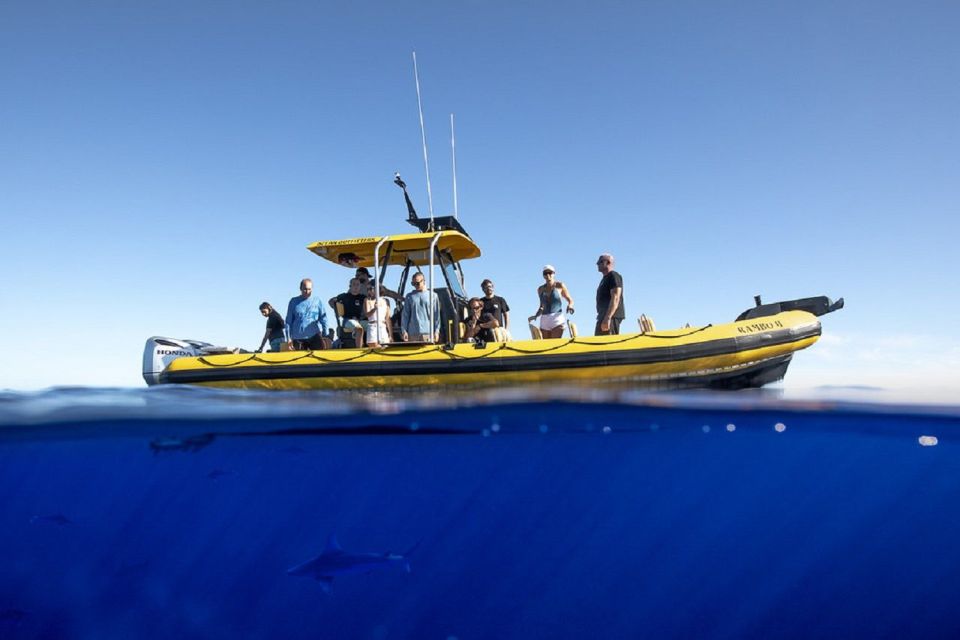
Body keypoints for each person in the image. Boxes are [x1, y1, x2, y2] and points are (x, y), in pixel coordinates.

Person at [528, 265, 574, 339]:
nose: (548, 275)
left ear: (554, 273)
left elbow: (570, 299)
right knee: (546, 346)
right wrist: (536, 316)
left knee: (555, 343)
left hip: (557, 318)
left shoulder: (560, 285)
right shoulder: (540, 289)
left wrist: (570, 305)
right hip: (544, 320)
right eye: (545, 273)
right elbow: (541, 306)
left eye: (550, 272)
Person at [285, 278, 329, 350]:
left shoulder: (317, 301)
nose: (307, 291)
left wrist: (326, 335)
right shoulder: (293, 301)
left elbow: (324, 319)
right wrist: (288, 338)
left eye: (309, 289)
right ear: (300, 288)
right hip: (298, 338)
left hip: (314, 336)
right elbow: (288, 322)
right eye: (305, 289)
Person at [401, 272, 440, 342]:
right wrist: (404, 331)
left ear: (424, 281)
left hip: (428, 334)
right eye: (413, 284)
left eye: (417, 283)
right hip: (412, 334)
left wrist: (436, 331)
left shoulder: (433, 296)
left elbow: (436, 315)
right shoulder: (409, 296)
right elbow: (405, 315)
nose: (415, 285)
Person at [329, 278, 366, 347]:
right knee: (359, 329)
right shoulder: (344, 296)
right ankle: (359, 350)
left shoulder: (363, 297)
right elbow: (331, 301)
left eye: (358, 285)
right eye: (354, 284)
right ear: (350, 286)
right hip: (348, 321)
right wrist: (336, 309)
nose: (356, 286)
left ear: (360, 286)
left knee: (373, 326)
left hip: (360, 320)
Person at [595, 253, 625, 335]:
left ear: (608, 262)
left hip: (611, 317)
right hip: (602, 316)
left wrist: (608, 317)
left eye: (600, 261)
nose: (597, 264)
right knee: (598, 344)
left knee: (608, 344)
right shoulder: (604, 279)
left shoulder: (613, 276)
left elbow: (615, 297)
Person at [363, 283, 393, 348]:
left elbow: (387, 318)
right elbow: (367, 314)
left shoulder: (386, 301)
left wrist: (391, 335)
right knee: (375, 347)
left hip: (382, 326)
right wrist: (374, 309)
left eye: (371, 289)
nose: (369, 291)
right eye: (367, 289)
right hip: (373, 326)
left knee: (385, 347)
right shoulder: (367, 300)